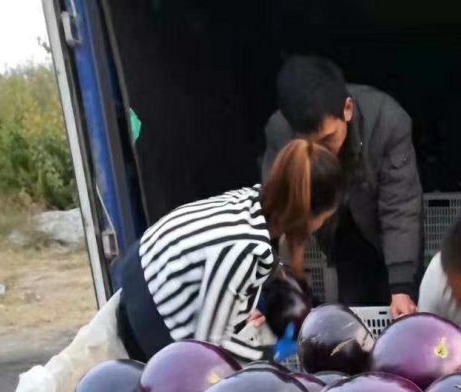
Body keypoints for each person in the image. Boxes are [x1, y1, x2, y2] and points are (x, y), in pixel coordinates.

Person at [116, 139, 342, 363]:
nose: (320, 226)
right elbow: (211, 345)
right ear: (305, 214)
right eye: (323, 219)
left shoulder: (249, 201)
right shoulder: (247, 249)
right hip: (139, 331)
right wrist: (271, 359)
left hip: (140, 289)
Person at [263, 56, 422, 319]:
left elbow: (401, 206)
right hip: (340, 234)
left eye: (328, 139)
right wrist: (276, 286)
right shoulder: (280, 131)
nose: (322, 153)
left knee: (402, 305)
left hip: (384, 223)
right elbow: (277, 213)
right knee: (353, 312)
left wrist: (402, 286)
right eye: (311, 146)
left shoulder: (387, 121)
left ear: (347, 109)